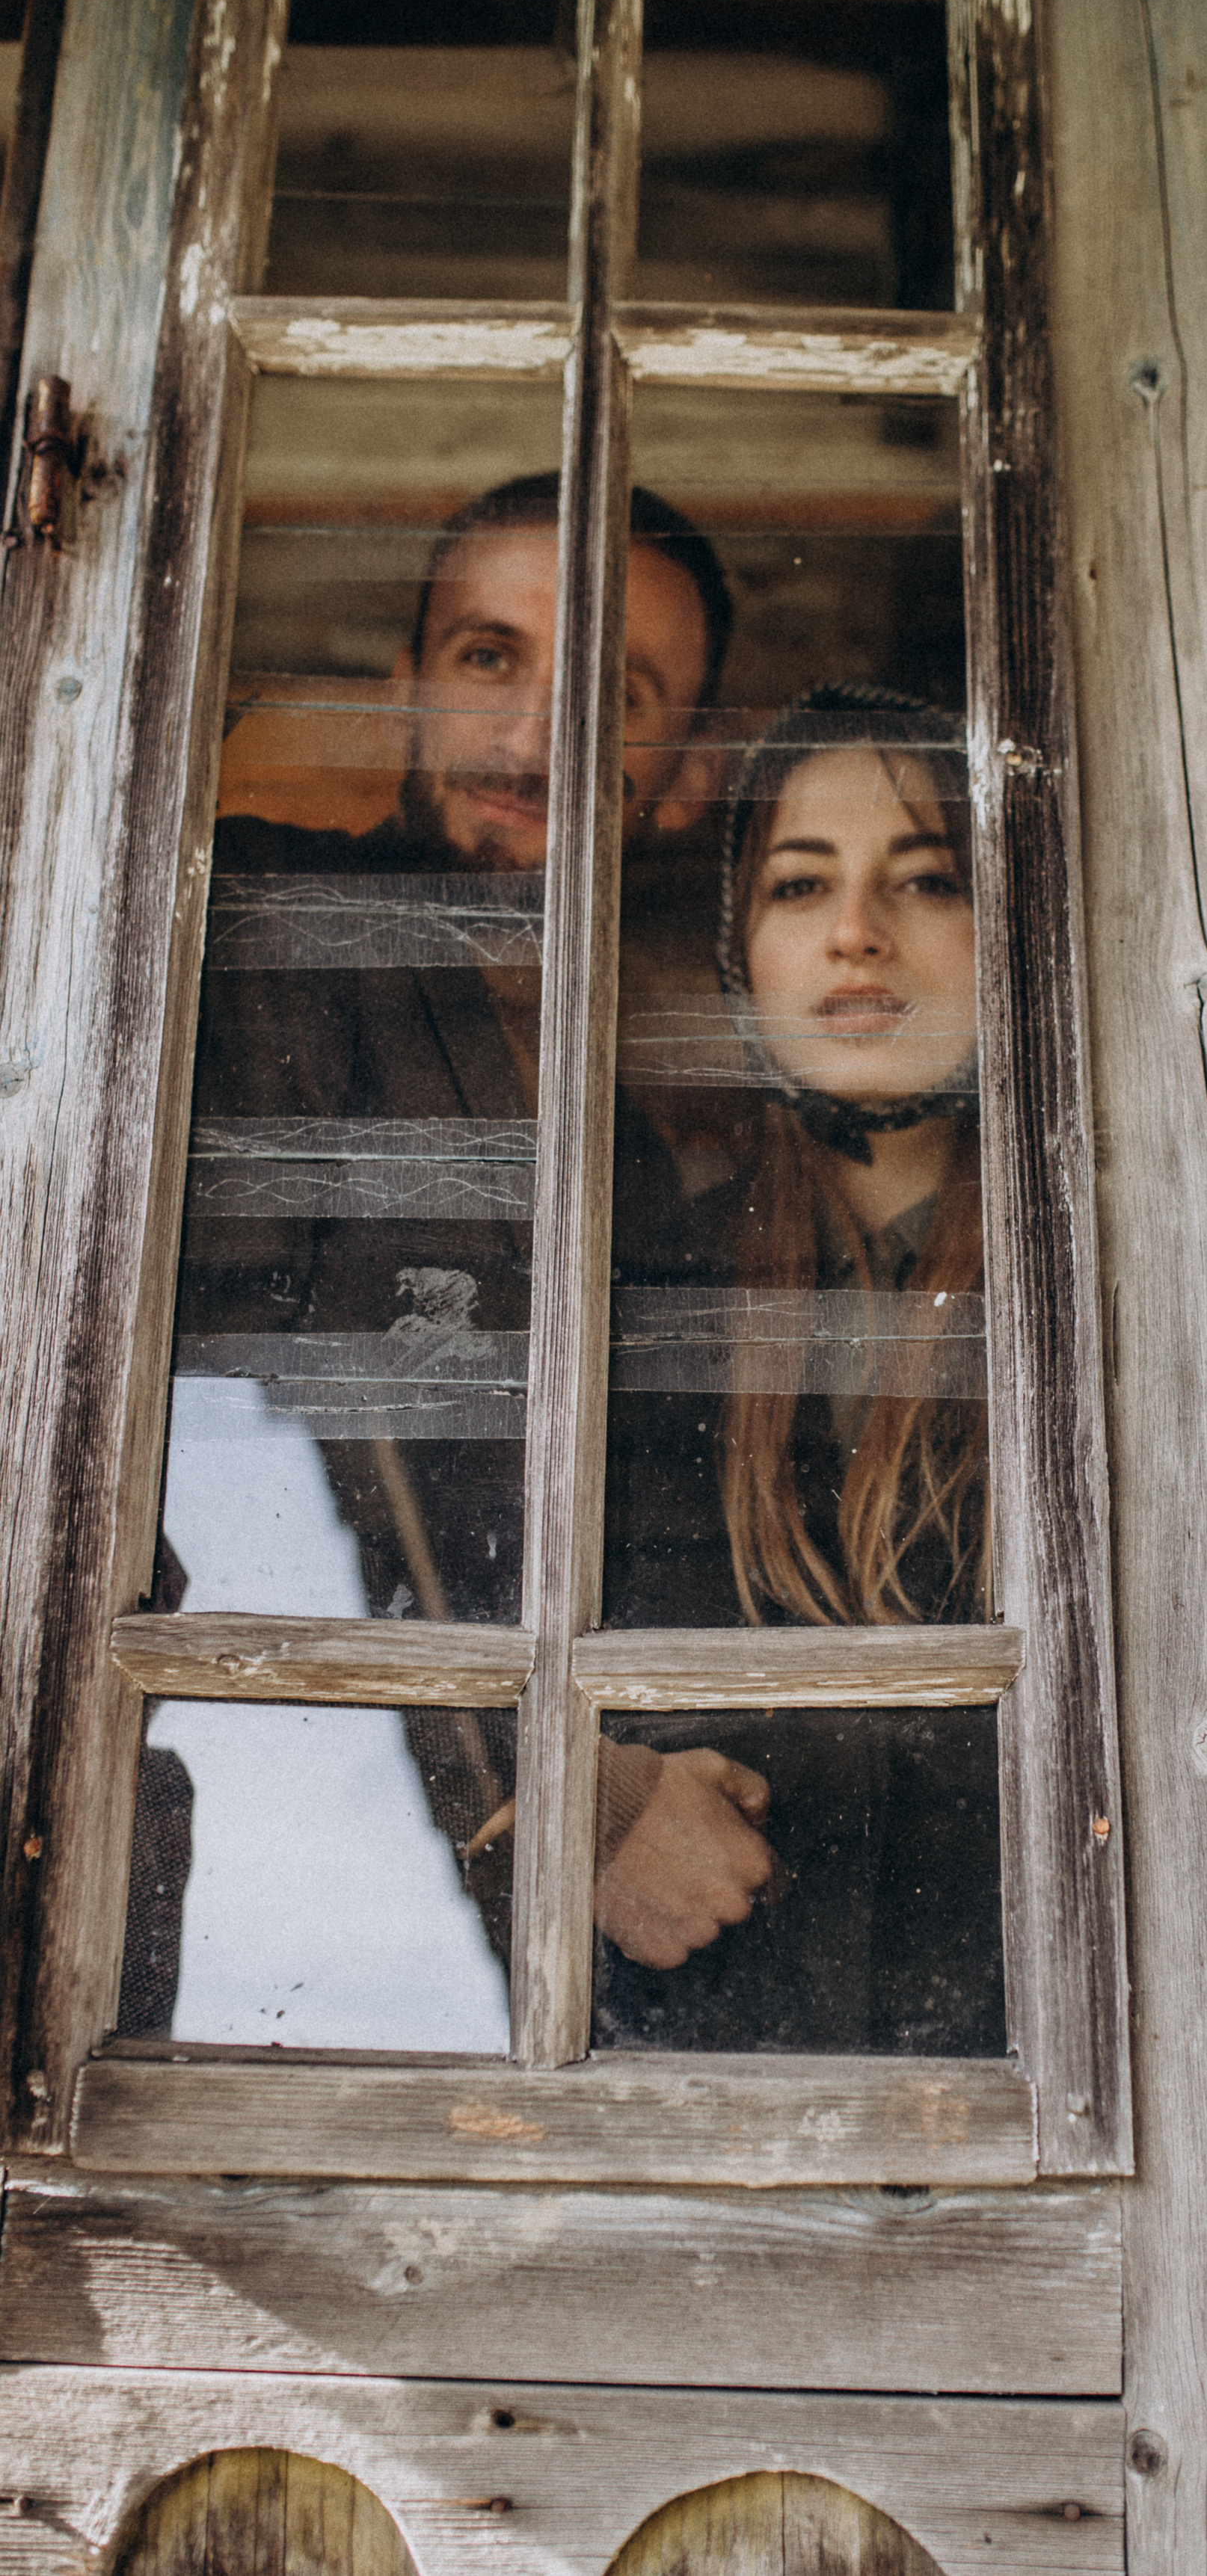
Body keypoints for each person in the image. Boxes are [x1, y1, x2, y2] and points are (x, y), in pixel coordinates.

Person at [124, 477, 777, 2035]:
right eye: (492, 656)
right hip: (272, 1885)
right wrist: (563, 1779)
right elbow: (213, 1448)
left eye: (613, 685)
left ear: (681, 771)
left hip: (519, 1958)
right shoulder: (270, 938)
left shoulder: (638, 1136)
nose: (538, 726)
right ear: (403, 696)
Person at [592, 687, 1004, 2053]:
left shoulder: (1117, 1300)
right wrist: (594, 1804)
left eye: (926, 878)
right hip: (702, 2076)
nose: (856, 934)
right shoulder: (645, 1296)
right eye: (800, 884)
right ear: (741, 953)